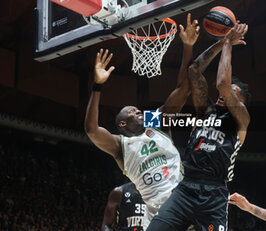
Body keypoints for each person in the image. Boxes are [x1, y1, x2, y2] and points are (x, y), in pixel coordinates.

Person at [85, 13, 200, 230]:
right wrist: (97, 86)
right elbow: (91, 130)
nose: (139, 112)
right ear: (122, 124)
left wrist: (187, 47)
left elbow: (183, 89)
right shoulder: (121, 146)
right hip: (161, 218)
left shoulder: (157, 123)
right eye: (133, 112)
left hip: (186, 204)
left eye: (139, 111)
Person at [146, 22, 250, 231]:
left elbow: (222, 84)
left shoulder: (241, 120)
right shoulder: (206, 111)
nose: (224, 93)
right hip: (185, 188)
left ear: (241, 102)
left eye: (233, 92)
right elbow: (193, 71)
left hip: (213, 194)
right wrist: (220, 43)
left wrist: (229, 43)